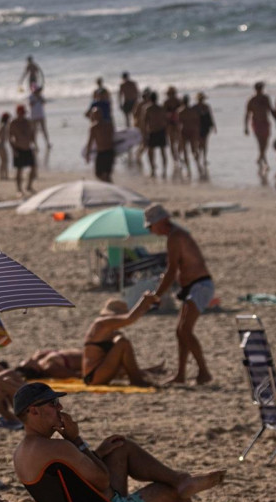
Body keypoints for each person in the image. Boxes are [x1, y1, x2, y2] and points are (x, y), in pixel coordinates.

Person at [13, 383, 225, 502]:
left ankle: (181, 479)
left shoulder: (22, 453)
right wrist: (76, 440)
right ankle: (179, 483)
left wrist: (97, 453)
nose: (60, 407)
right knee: (173, 493)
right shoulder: (59, 447)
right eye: (53, 403)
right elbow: (103, 480)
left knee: (120, 447)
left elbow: (72, 481)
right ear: (34, 410)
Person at [145, 204, 213, 385]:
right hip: (190, 286)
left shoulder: (175, 237)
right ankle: (181, 374)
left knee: (185, 330)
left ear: (160, 222)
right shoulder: (174, 235)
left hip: (199, 285)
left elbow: (171, 269)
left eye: (151, 226)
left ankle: (204, 372)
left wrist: (157, 295)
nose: (151, 230)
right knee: (180, 332)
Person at [81, 296, 159, 386]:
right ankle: (137, 380)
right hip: (93, 376)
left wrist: (146, 306)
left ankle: (137, 378)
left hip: (97, 374)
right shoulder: (101, 323)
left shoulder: (110, 331)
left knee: (121, 340)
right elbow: (129, 319)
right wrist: (144, 301)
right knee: (123, 343)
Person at [244, 81, 275, 168]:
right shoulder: (252, 100)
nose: (260, 90)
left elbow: (271, 110)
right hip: (256, 123)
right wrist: (246, 127)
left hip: (265, 122)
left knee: (266, 142)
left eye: (261, 88)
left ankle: (260, 157)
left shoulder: (266, 98)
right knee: (260, 142)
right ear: (256, 89)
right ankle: (264, 161)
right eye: (259, 88)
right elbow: (247, 114)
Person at [9, 105, 37, 194]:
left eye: (24, 113)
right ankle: (19, 189)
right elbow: (10, 137)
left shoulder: (28, 122)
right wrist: (13, 149)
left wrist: (35, 145)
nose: (23, 114)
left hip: (28, 148)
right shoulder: (14, 123)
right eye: (21, 113)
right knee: (19, 170)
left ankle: (29, 186)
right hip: (19, 148)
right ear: (18, 113)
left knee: (34, 167)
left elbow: (32, 134)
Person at [85, 107, 116, 182]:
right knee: (98, 174)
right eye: (94, 114)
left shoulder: (107, 125)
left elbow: (114, 137)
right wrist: (87, 153)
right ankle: (109, 186)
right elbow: (90, 141)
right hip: (101, 152)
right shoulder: (95, 127)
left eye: (97, 114)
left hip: (109, 152)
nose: (96, 116)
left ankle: (109, 187)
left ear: (101, 114)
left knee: (106, 174)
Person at [141, 92, 169, 178]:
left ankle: (153, 169)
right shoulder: (161, 108)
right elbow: (166, 120)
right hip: (161, 131)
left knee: (151, 152)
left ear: (150, 99)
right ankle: (164, 169)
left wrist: (144, 134)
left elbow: (144, 122)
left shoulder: (147, 108)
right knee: (163, 151)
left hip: (152, 132)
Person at [16, 348, 84, 380]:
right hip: (92, 359)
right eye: (25, 363)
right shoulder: (49, 368)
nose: (26, 360)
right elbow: (76, 375)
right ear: (34, 368)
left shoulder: (39, 359)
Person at [177, 95, 202, 175]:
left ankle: (188, 169)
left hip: (184, 131)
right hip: (192, 130)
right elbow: (197, 122)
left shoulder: (180, 111)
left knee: (185, 151)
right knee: (194, 150)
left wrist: (178, 135)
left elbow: (178, 124)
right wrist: (197, 132)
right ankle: (198, 165)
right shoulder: (193, 111)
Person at [195, 92, 216, 167]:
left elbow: (210, 116)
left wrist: (214, 126)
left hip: (206, 126)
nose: (201, 100)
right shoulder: (194, 107)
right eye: (200, 98)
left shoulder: (206, 106)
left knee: (205, 143)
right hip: (197, 127)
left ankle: (204, 158)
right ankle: (199, 157)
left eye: (202, 98)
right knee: (199, 143)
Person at [0, 112, 10, 182]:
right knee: (4, 160)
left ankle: (4, 175)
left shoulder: (3, 125)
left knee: (4, 160)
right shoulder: (3, 125)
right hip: (1, 144)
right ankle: (3, 175)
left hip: (2, 144)